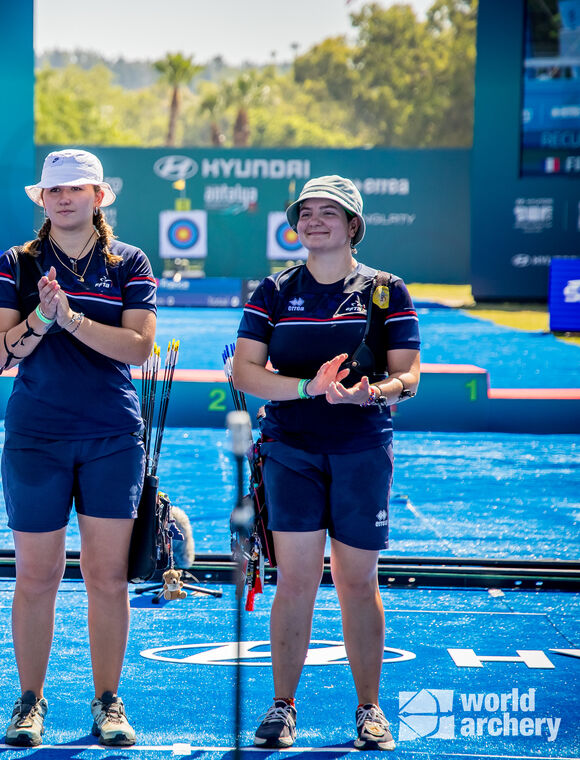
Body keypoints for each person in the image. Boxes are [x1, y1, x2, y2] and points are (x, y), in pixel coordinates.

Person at [231, 175, 421, 751]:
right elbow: (244, 373)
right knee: (296, 581)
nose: (314, 221)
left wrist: (370, 394)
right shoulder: (273, 290)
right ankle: (283, 707)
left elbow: (408, 377)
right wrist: (308, 389)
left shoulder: (386, 291)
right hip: (290, 448)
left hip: (362, 447)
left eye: (328, 213)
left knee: (358, 583)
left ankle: (369, 710)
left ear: (352, 225)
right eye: (305, 212)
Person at [0, 149, 156, 747]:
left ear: (98, 196)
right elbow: (3, 354)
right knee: (37, 576)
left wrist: (74, 320)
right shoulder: (18, 262)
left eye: (76, 189)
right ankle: (29, 703)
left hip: (112, 434)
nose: (64, 199)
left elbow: (139, 349)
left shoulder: (130, 262)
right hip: (36, 437)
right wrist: (42, 317)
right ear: (42, 200)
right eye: (54, 191)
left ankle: (108, 702)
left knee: (106, 577)